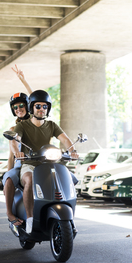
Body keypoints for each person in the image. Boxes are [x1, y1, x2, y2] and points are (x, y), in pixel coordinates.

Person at [10, 89, 79, 234]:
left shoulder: (52, 125)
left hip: (49, 163)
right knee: (29, 179)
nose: (42, 109)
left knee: (71, 179)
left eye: (45, 106)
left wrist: (72, 151)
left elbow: (65, 139)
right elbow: (15, 139)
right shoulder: (23, 126)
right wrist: (17, 151)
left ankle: (69, 217)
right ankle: (29, 218)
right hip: (30, 163)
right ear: (32, 108)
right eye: (38, 106)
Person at [3, 65, 32, 227]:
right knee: (9, 180)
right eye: (15, 107)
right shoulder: (13, 130)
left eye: (21, 105)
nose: (19, 109)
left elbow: (37, 99)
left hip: (41, 161)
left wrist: (23, 80)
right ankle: (10, 214)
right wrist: (9, 172)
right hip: (22, 165)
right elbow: (11, 156)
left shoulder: (36, 122)